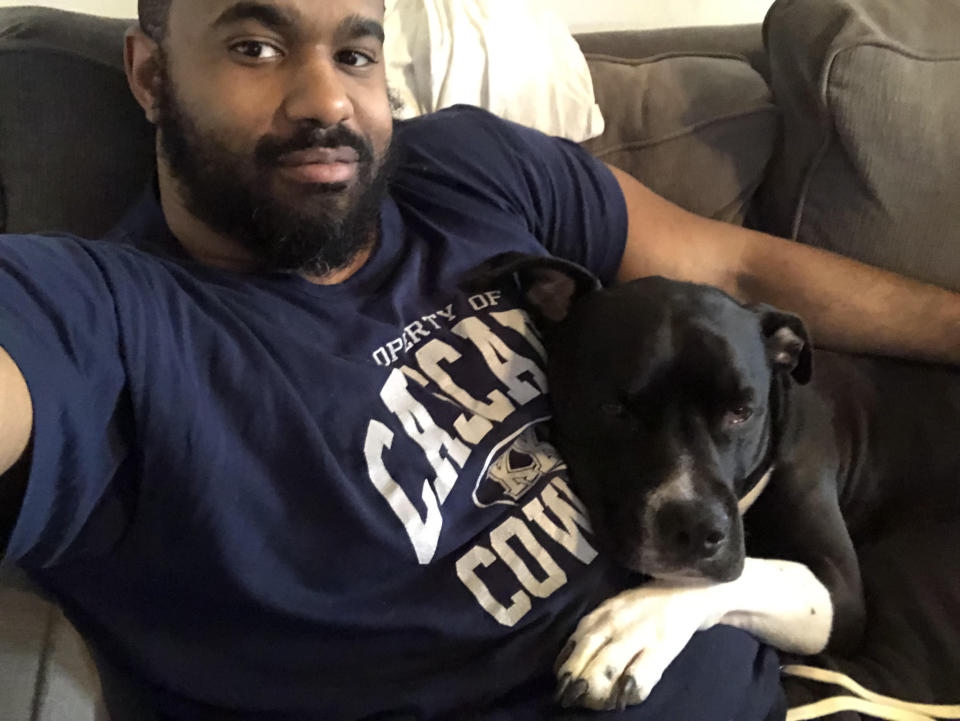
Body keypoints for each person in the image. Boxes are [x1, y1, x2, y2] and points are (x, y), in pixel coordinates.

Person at [0, 0, 958, 719]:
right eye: (256, 45)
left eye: (356, 50)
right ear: (151, 75)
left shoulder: (466, 168)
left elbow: (736, 262)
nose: (325, 97)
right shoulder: (104, 316)